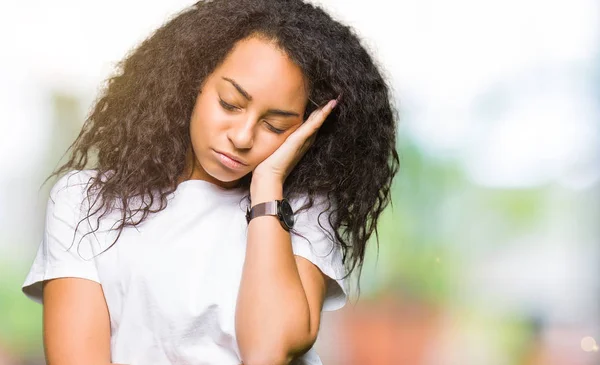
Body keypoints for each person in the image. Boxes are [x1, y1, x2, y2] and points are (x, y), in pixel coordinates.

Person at [21, 0, 400, 364]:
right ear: (192, 83)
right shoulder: (86, 201)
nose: (243, 136)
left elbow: (267, 351)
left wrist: (267, 186)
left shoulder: (301, 210)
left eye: (275, 125)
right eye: (230, 104)